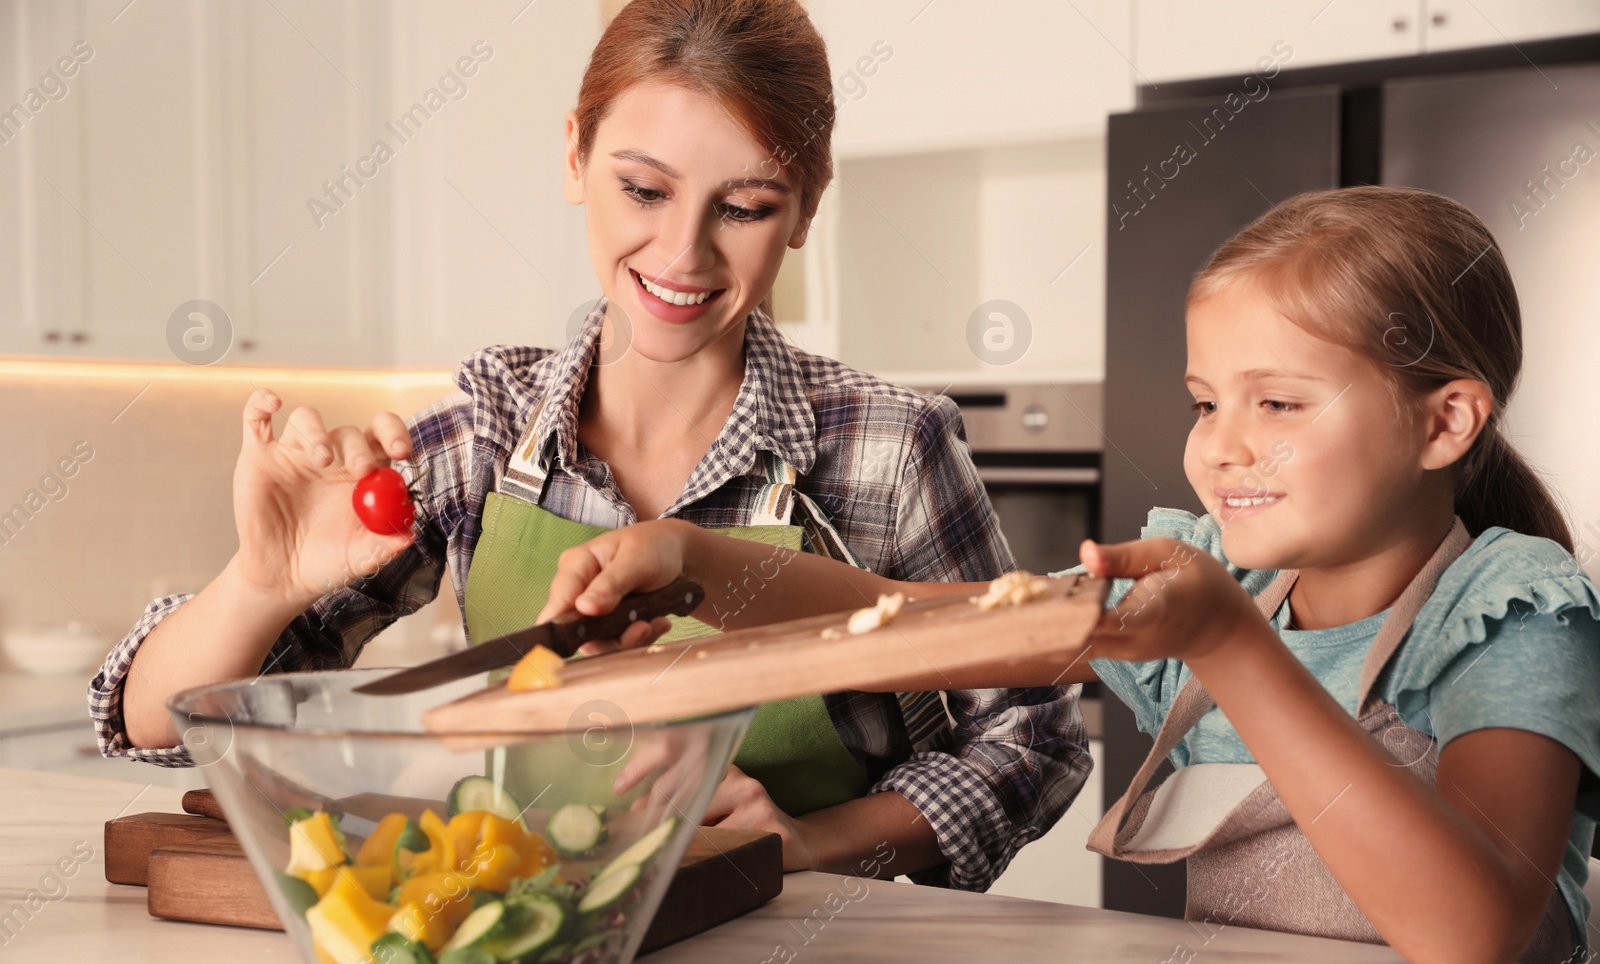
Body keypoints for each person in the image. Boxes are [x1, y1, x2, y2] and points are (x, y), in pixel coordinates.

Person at [88, 0, 1087, 892]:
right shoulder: (490, 425)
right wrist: (261, 584)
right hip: (532, 955)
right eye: (644, 190)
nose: (683, 253)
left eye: (743, 207)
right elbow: (161, 720)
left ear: (805, 210)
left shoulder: (884, 447)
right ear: (574, 156)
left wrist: (814, 842)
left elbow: (1031, 732)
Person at [539, 187, 1600, 964]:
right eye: (1203, 401)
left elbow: (1468, 943)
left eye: (1276, 401)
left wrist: (1230, 646)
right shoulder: (1224, 581)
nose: (1222, 445)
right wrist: (693, 559)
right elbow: (911, 621)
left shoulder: (1509, 610)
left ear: (1445, 421)